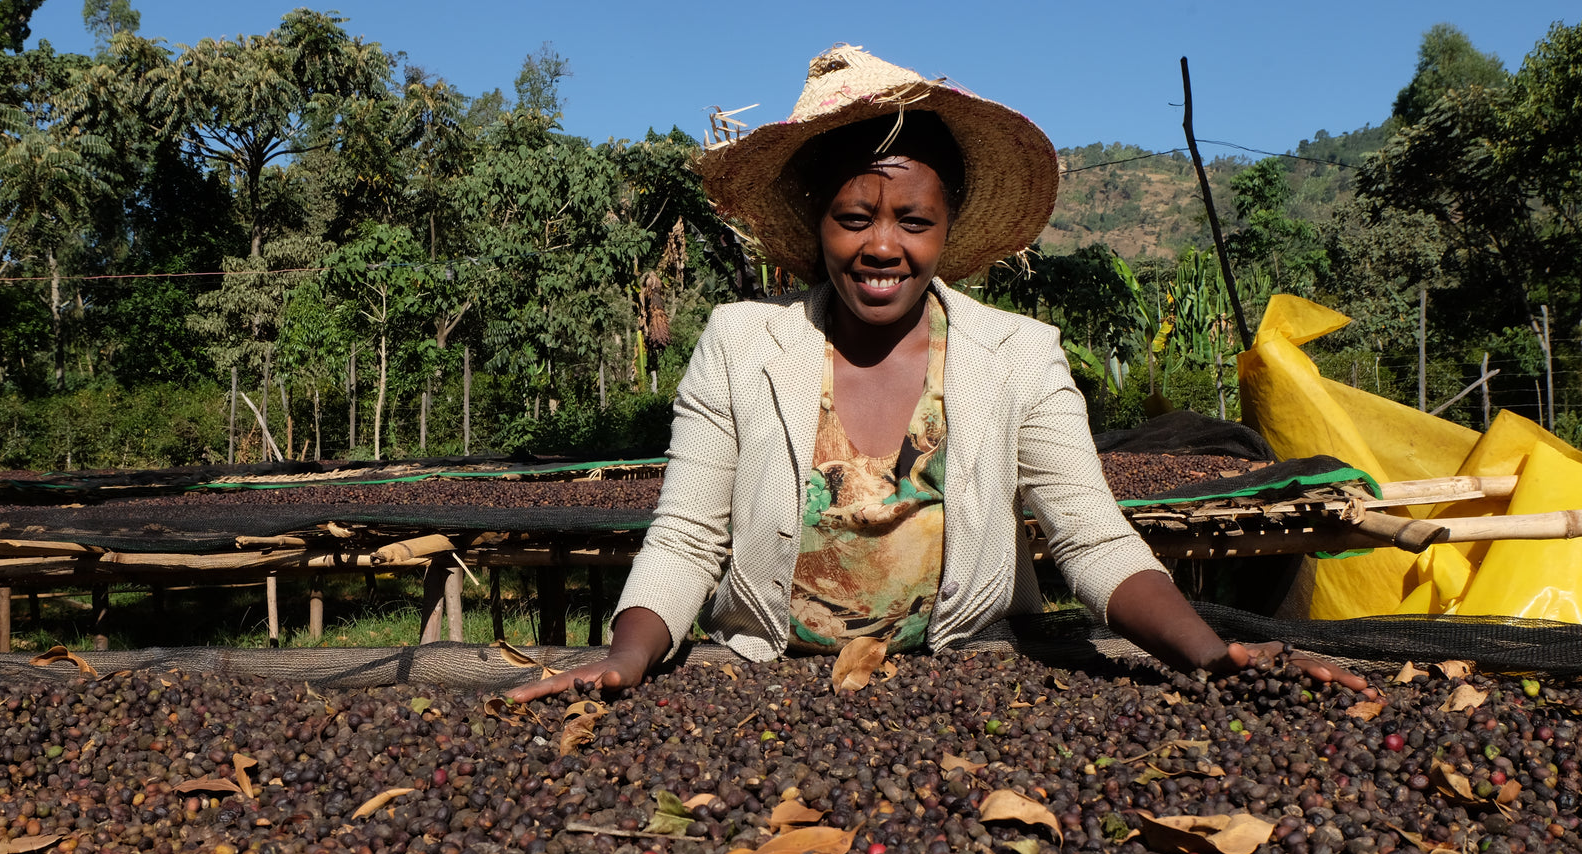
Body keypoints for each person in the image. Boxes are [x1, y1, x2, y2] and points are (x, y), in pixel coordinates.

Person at [510, 46, 1371, 703]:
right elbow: (689, 535)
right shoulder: (741, 345)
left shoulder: (1019, 356)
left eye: (912, 220)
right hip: (766, 689)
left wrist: (1210, 653)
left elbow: (1092, 539)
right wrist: (625, 659)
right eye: (855, 217)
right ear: (819, 224)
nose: (882, 245)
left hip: (965, 683)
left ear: (946, 228)